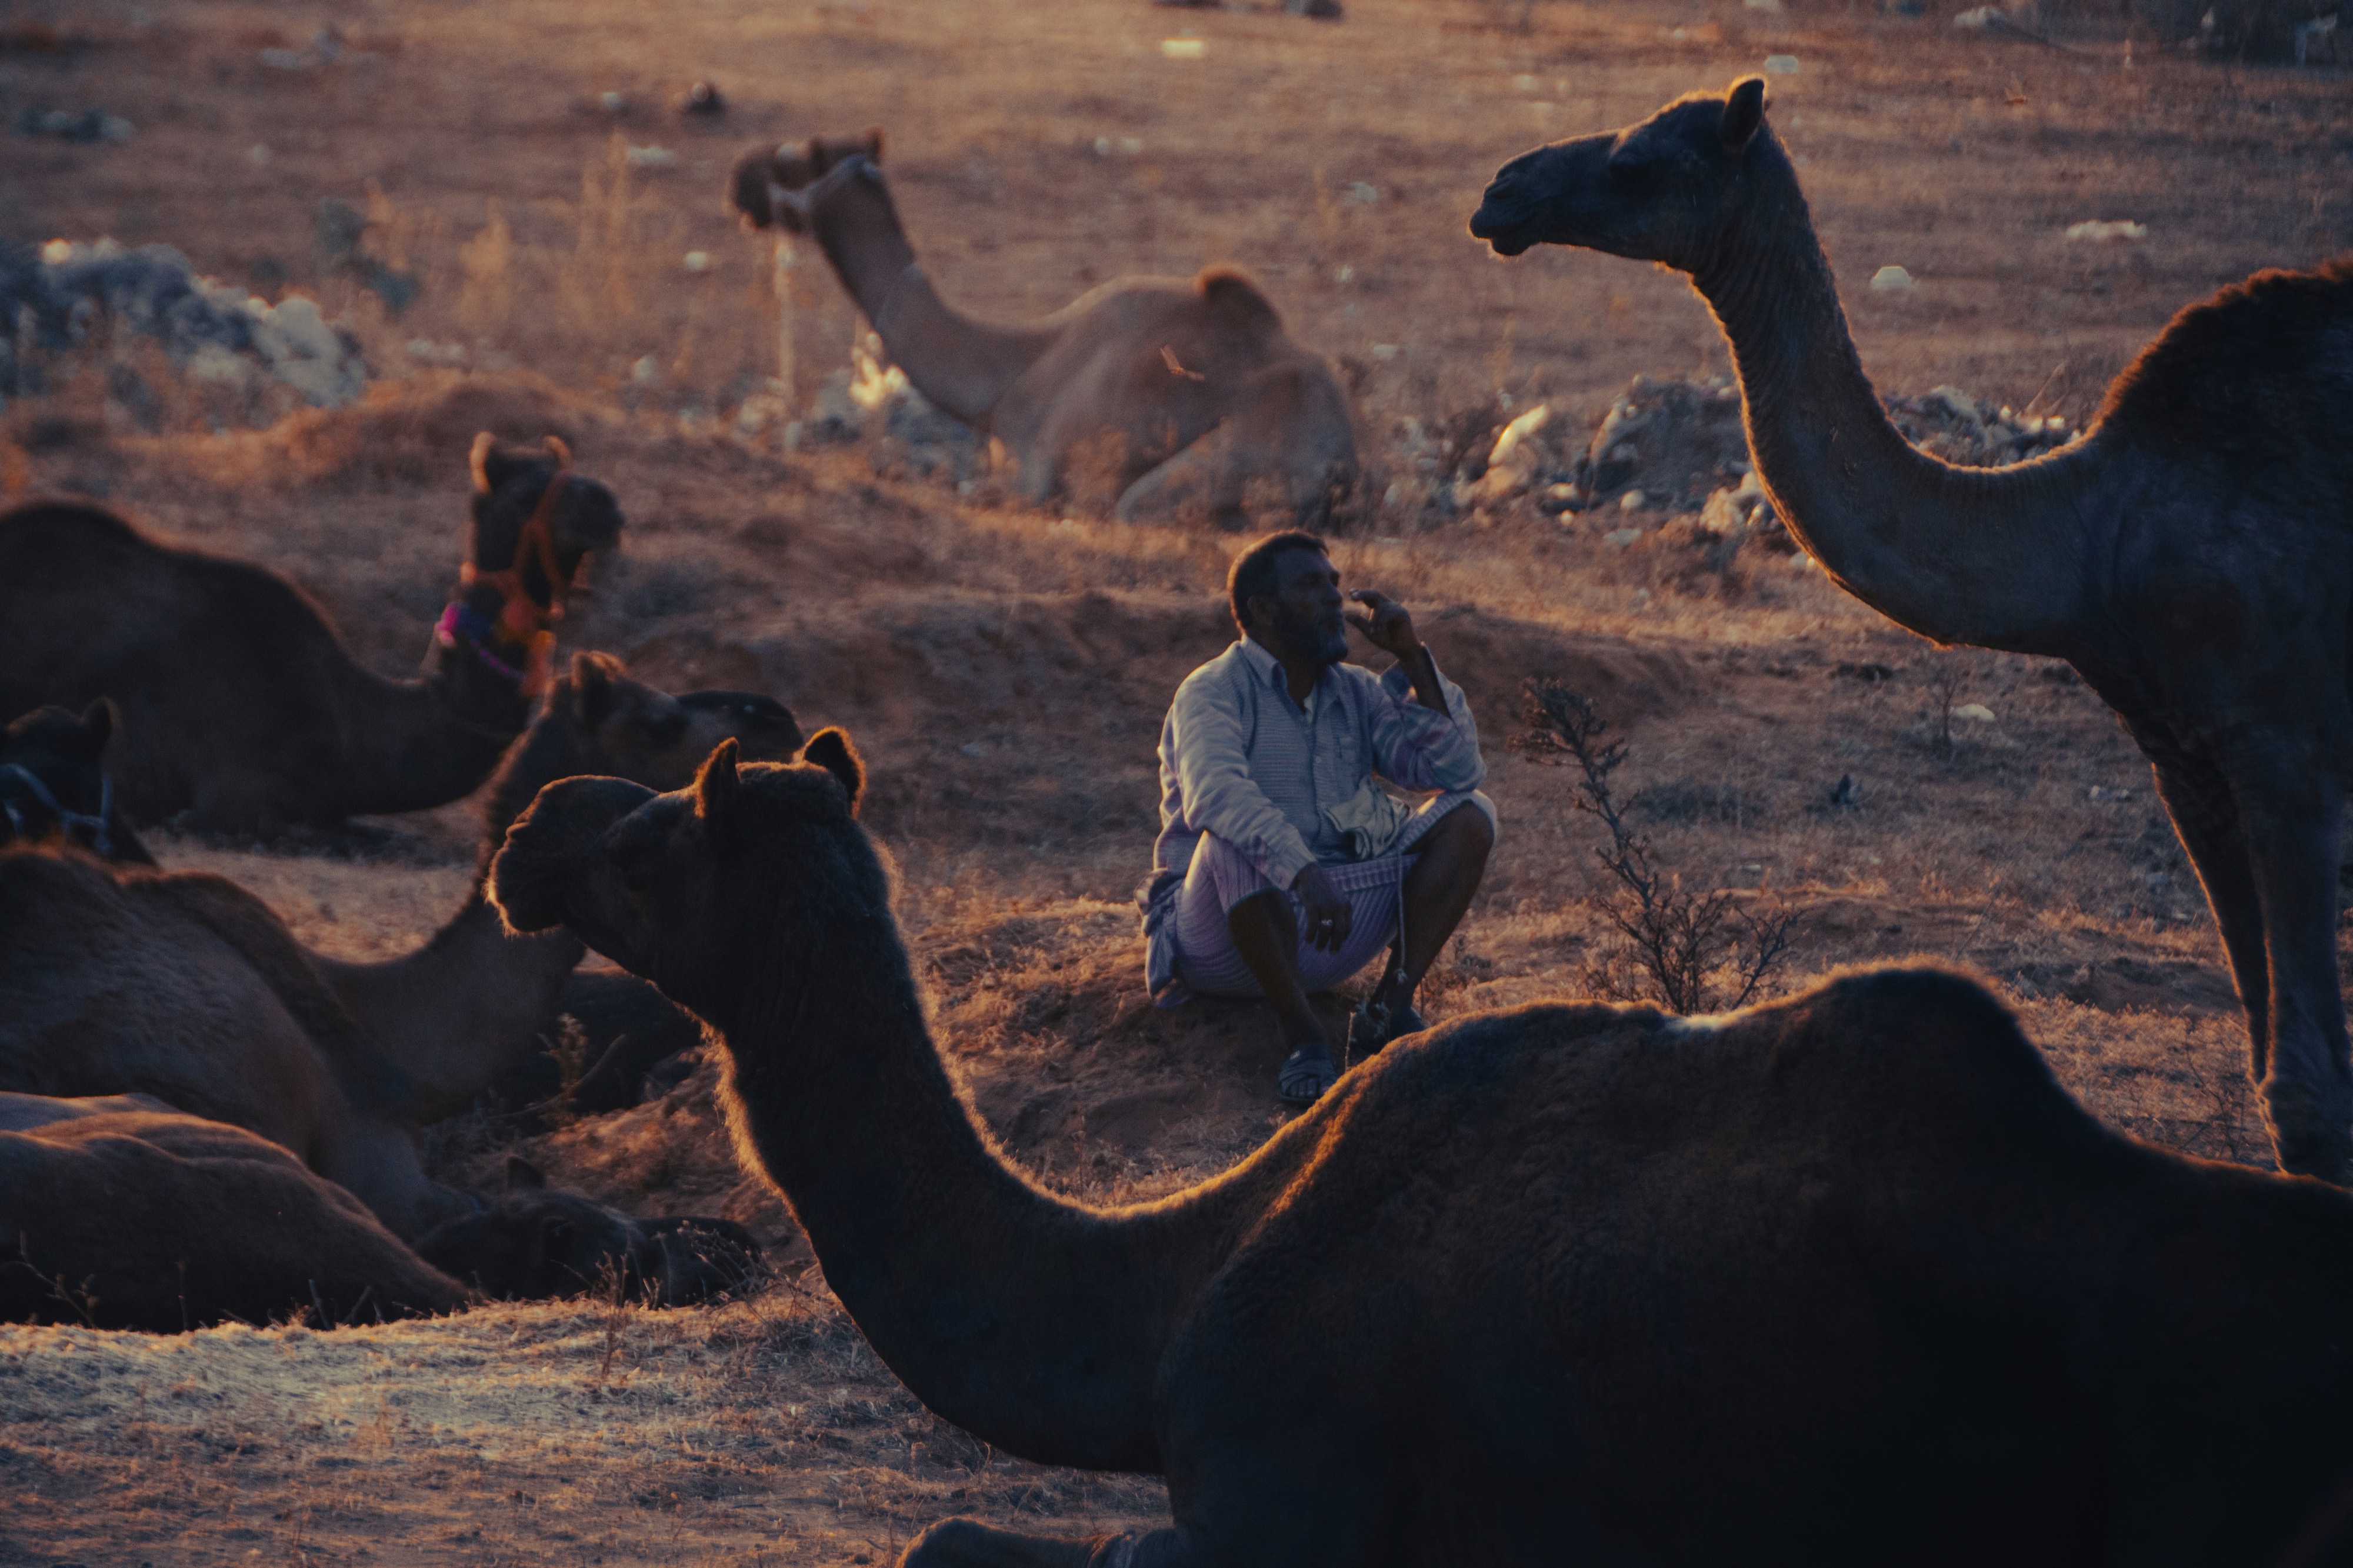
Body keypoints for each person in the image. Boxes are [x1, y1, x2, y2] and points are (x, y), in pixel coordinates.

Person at [1141, 531, 1496, 1106]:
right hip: (1220, 937)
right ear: (1262, 610)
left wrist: (1412, 658)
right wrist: (1302, 870)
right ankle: (1303, 1039)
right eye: (1311, 585)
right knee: (1230, 839)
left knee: (1472, 815)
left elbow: (1454, 771)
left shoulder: (1356, 690)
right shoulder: (1211, 690)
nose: (1334, 597)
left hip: (1332, 919)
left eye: (1335, 583)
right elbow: (1216, 794)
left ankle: (1387, 1009)